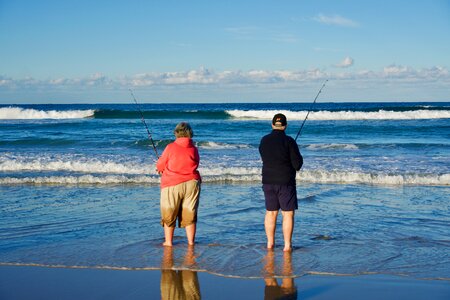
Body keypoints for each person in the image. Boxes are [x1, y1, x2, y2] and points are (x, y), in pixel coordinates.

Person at [259, 113, 303, 251]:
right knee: (287, 213)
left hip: (268, 181)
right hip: (285, 182)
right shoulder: (290, 141)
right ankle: (287, 246)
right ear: (285, 126)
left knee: (270, 212)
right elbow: (297, 165)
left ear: (272, 125)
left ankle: (270, 243)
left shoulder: (264, 140)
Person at [156, 122, 201, 246]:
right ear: (189, 133)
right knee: (190, 212)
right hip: (192, 183)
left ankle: (169, 242)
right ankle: (191, 242)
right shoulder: (194, 148)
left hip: (172, 183)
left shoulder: (170, 147)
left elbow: (160, 165)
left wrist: (160, 165)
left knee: (169, 211)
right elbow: (196, 163)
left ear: (176, 133)